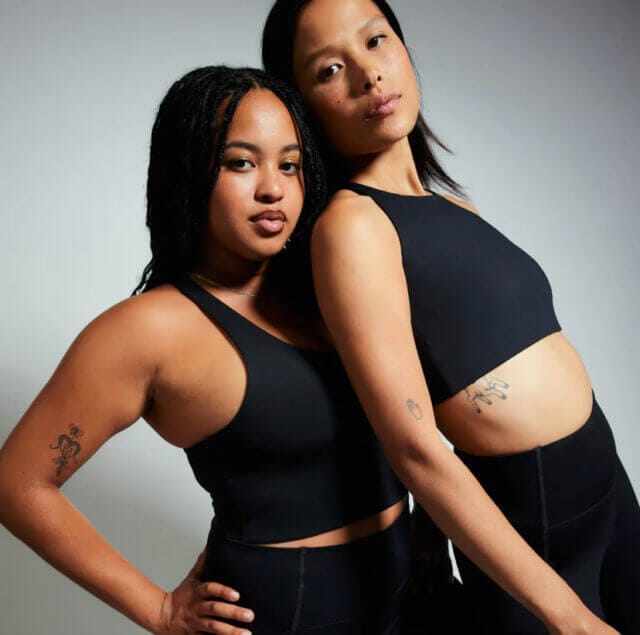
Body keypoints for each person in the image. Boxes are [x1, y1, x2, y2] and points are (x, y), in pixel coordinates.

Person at [261, 0, 640, 633]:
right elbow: (412, 445)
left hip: (606, 491)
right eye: (329, 69)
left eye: (376, 41)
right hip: (535, 534)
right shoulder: (352, 227)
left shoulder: (446, 204)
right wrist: (567, 616)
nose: (368, 75)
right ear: (302, 107)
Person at [0, 65, 412, 635]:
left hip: (409, 586)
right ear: (190, 171)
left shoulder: (327, 286)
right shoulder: (149, 329)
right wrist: (158, 609)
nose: (272, 187)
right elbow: (17, 484)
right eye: (240, 162)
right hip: (286, 614)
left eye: (289, 165)